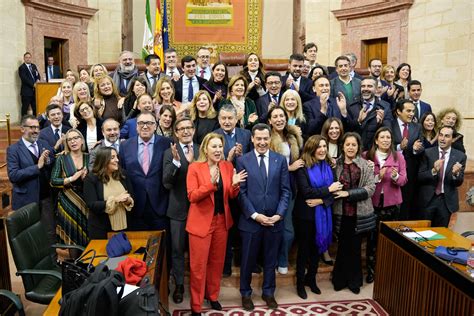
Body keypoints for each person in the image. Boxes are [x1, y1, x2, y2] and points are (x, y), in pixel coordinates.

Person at [186, 133, 247, 315]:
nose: (218, 150)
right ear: (205, 148)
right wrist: (211, 185)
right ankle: (196, 305)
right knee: (198, 266)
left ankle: (212, 296)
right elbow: (192, 196)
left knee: (217, 263)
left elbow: (230, 195)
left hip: (222, 221)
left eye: (220, 147)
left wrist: (235, 186)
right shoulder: (195, 168)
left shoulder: (227, 166)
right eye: (214, 146)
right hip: (200, 223)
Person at [236, 123, 291, 311]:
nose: (261, 142)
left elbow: (285, 191)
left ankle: (268, 292)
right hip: (251, 221)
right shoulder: (243, 160)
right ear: (252, 138)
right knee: (248, 260)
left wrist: (279, 215)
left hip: (274, 221)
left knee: (270, 259)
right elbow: (241, 193)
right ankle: (245, 293)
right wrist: (255, 215)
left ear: (270, 138)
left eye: (265, 138)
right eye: (258, 138)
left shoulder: (280, 160)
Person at [294, 135, 341, 299]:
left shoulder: (329, 166)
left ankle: (311, 280)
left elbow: (336, 191)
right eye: (318, 147)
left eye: (324, 147)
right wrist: (328, 190)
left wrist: (322, 198)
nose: (322, 150)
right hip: (306, 215)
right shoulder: (302, 166)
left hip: (324, 213)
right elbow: (306, 192)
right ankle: (300, 283)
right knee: (304, 250)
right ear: (311, 148)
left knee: (316, 250)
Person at [332, 132, 376, 294]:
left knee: (356, 249)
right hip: (340, 213)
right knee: (342, 247)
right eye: (347, 144)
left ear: (358, 147)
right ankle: (339, 279)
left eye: (354, 145)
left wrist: (348, 194)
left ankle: (354, 281)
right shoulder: (335, 164)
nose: (350, 147)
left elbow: (371, 188)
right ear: (342, 146)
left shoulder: (365, 165)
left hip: (359, 214)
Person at [363, 127, 407, 283]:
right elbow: (362, 181)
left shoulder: (399, 157)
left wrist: (395, 176)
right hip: (373, 204)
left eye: (388, 137)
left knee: (389, 239)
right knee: (372, 239)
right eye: (382, 137)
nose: (386, 140)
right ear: (376, 140)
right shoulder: (367, 156)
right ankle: (371, 271)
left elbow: (403, 180)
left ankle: (386, 271)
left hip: (392, 204)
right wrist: (376, 177)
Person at [162, 117, 199, 304]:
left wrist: (192, 164)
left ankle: (198, 286)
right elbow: (167, 183)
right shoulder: (170, 153)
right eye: (181, 129)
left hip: (200, 210)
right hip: (177, 210)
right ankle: (179, 285)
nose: (185, 131)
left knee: (197, 251)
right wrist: (177, 163)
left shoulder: (202, 150)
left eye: (188, 128)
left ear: (193, 130)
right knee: (176, 250)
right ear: (175, 132)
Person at [214, 104, 252, 276]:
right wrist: (228, 159)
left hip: (244, 188)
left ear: (237, 119)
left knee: (245, 227)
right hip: (223, 190)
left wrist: (242, 157)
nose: (227, 121)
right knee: (226, 230)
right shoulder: (213, 136)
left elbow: (252, 160)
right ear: (219, 119)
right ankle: (226, 265)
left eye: (230, 118)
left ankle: (245, 262)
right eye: (224, 118)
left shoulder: (246, 134)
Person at [7, 115, 56, 248]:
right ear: (22, 129)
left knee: (49, 233)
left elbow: (52, 163)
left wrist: (48, 161)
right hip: (25, 201)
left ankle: (53, 264)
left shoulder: (43, 144)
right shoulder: (13, 150)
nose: (35, 130)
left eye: (37, 127)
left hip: (45, 198)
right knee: (28, 236)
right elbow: (13, 175)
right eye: (32, 127)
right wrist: (37, 167)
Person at [267, 106, 304, 275]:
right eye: (275, 116)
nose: (279, 119)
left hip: (289, 188)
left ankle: (282, 259)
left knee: (288, 231)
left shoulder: (292, 138)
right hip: (270, 188)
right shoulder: (266, 139)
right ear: (270, 120)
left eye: (282, 116)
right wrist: (290, 168)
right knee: (272, 228)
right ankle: (271, 260)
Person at [119, 112, 170, 230]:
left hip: (159, 205)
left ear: (155, 126)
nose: (145, 126)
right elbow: (122, 173)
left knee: (162, 245)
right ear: (136, 126)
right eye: (141, 123)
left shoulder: (166, 143)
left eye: (149, 123)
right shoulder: (125, 146)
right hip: (135, 206)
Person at [418, 125, 466, 227]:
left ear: (452, 139)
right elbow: (420, 176)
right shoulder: (428, 153)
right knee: (423, 233)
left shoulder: (460, 156)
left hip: (446, 202)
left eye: (447, 136)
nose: (442, 139)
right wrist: (434, 170)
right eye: (441, 135)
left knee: (440, 234)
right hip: (428, 200)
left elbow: (459, 182)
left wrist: (455, 174)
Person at [84, 147, 135, 239]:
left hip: (126, 228)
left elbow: (132, 196)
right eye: (112, 157)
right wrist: (115, 200)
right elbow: (92, 204)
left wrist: (127, 200)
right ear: (103, 160)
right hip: (101, 229)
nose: (117, 160)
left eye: (116, 156)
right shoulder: (91, 179)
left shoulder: (123, 174)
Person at [50, 129, 89, 246]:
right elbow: (53, 181)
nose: (73, 141)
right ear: (66, 143)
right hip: (67, 202)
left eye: (76, 138)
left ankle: (85, 263)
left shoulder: (89, 157)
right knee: (69, 234)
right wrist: (72, 178)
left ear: (82, 140)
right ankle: (70, 263)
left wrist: (86, 178)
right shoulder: (61, 158)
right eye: (69, 139)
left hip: (85, 202)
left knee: (86, 233)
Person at [390, 99, 424, 219]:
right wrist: (399, 147)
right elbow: (383, 145)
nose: (411, 114)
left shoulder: (417, 127)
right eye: (408, 111)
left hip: (410, 171)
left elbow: (421, 146)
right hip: (392, 169)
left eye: (413, 111)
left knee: (407, 202)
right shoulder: (389, 124)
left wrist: (415, 149)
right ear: (399, 111)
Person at [347, 77, 392, 150]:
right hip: (357, 151)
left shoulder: (385, 106)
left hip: (375, 151)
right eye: (363, 86)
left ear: (376, 89)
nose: (366, 89)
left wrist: (381, 123)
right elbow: (347, 130)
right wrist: (358, 121)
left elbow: (388, 131)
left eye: (370, 86)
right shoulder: (352, 106)